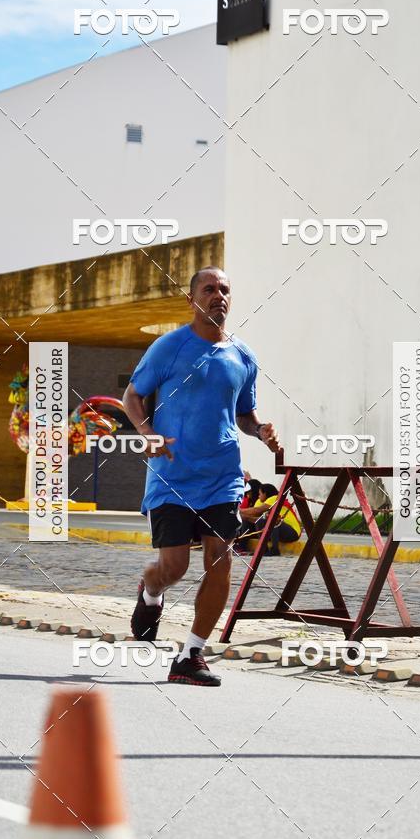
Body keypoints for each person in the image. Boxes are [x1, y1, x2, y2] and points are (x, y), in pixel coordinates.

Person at [122, 266, 280, 686]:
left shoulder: (243, 356)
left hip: (222, 477)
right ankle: (150, 592)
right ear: (191, 299)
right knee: (173, 567)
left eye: (224, 289)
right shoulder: (170, 347)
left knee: (221, 560)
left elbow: (244, 414)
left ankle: (191, 655)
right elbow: (132, 395)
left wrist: (260, 430)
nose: (218, 295)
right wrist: (147, 432)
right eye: (209, 289)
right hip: (172, 476)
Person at [239, 482, 301, 556]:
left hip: (293, 532)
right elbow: (256, 517)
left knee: (272, 521)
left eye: (260, 494)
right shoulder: (262, 501)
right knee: (260, 521)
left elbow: (256, 511)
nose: (258, 496)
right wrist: (245, 517)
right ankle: (263, 549)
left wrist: (238, 511)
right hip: (282, 531)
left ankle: (275, 550)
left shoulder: (275, 498)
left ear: (265, 494)